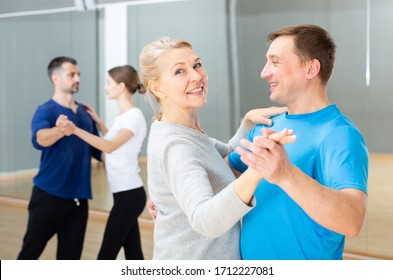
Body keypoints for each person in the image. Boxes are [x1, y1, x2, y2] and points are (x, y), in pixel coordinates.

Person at [139, 37, 296, 259]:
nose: (196, 76)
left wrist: (247, 124)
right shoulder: (177, 146)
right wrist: (258, 170)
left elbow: (224, 159)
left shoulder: (187, 134)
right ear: (157, 89)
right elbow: (205, 220)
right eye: (179, 72)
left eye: (196, 65)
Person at [228, 24, 369, 260]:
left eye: (275, 62)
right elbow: (225, 174)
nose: (264, 72)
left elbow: (352, 221)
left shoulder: (340, 135)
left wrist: (285, 175)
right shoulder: (267, 125)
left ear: (311, 68)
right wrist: (172, 197)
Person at [17, 56, 102, 260]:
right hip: (48, 197)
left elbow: (99, 151)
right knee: (29, 254)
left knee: (70, 260)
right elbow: (39, 139)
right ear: (55, 78)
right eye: (71, 74)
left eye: (79, 74)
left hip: (79, 201)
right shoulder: (45, 110)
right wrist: (59, 130)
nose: (77, 78)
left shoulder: (85, 113)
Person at [59, 65, 147, 260]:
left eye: (108, 83)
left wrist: (75, 130)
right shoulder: (124, 117)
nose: (105, 87)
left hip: (130, 195)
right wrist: (98, 122)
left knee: (106, 256)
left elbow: (109, 147)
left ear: (121, 86)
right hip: (124, 194)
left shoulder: (134, 116)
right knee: (133, 254)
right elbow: (116, 142)